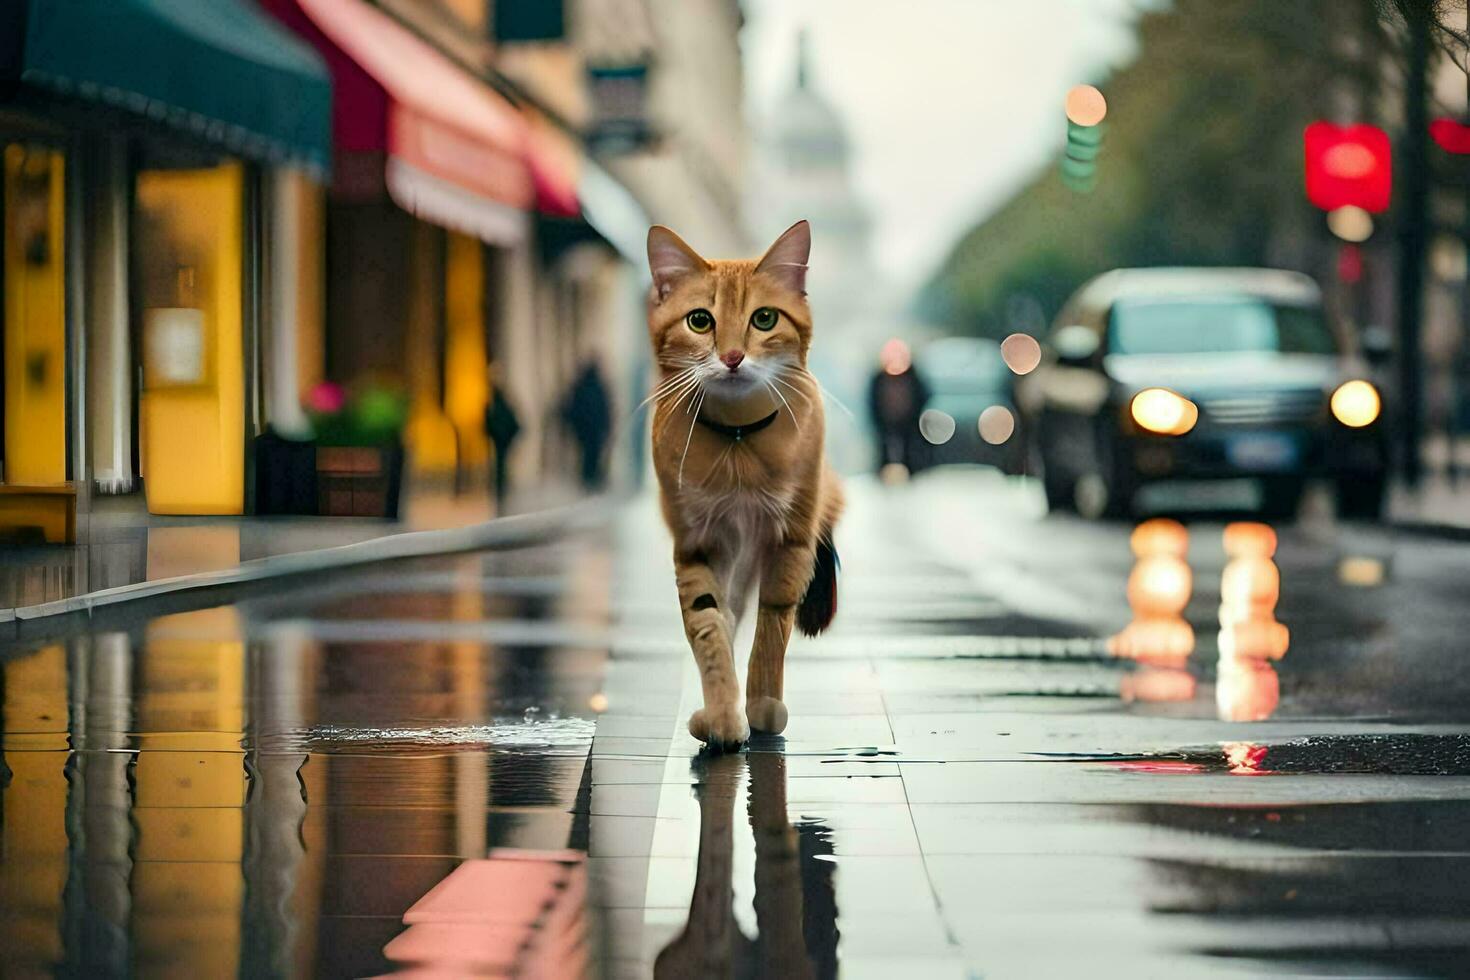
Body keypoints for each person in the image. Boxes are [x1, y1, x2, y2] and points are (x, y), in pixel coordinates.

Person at [867, 338, 930, 472]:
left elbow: (922, 396)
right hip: (885, 420)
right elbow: (873, 400)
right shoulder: (879, 378)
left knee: (911, 447)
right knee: (883, 446)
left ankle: (912, 469)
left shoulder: (913, 377)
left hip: (909, 419)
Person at [562, 360, 612, 490]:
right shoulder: (598, 387)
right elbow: (605, 410)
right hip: (594, 430)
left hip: (584, 430)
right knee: (593, 454)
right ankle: (591, 479)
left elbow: (573, 408)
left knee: (586, 454)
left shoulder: (580, 386)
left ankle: (589, 478)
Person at [484, 366, 521, 510]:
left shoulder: (497, 403)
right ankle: (501, 494)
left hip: (501, 440)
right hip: (500, 440)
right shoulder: (496, 403)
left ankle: (501, 494)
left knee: (500, 468)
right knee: (500, 468)